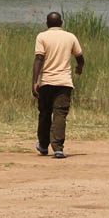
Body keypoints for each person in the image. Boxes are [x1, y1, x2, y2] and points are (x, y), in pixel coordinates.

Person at [32, 11, 84, 159]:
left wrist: (35, 82)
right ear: (61, 23)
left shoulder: (42, 36)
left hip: (46, 82)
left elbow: (39, 59)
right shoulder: (70, 37)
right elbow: (80, 58)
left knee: (45, 114)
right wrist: (79, 68)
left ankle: (43, 145)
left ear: (47, 24)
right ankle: (58, 148)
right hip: (64, 83)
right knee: (60, 114)